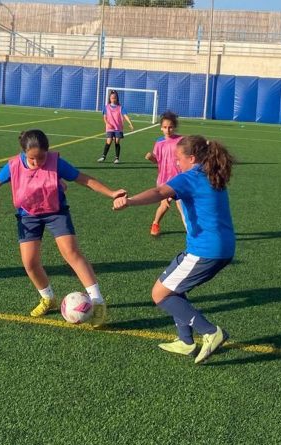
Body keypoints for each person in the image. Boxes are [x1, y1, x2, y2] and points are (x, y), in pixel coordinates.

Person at [0, 129, 126, 328]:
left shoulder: (56, 163)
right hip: (28, 216)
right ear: (23, 153)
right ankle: (47, 298)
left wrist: (112, 193)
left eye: (41, 157)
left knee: (71, 253)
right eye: (32, 159)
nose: (38, 162)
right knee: (29, 263)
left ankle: (98, 302)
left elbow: (83, 179)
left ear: (48, 151)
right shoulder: (13, 165)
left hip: (56, 212)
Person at [113, 135, 235, 364]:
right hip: (222, 248)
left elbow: (159, 192)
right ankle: (186, 342)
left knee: (159, 294)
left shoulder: (189, 177)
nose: (176, 163)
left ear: (191, 158)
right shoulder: (211, 174)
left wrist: (129, 201)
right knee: (173, 288)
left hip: (205, 251)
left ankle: (210, 332)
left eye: (179, 159)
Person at [144, 111, 186, 236]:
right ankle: (155, 223)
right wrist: (151, 157)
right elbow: (158, 161)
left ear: (175, 127)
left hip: (178, 179)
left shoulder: (181, 140)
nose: (168, 130)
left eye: (171, 127)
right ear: (161, 128)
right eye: (165, 127)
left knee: (182, 207)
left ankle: (190, 231)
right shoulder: (159, 142)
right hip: (163, 180)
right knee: (164, 205)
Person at [97, 90, 134, 164]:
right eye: (112, 98)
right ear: (109, 98)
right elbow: (104, 117)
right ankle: (103, 156)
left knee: (117, 142)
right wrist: (107, 123)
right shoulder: (106, 107)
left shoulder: (120, 107)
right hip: (110, 128)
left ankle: (117, 158)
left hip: (118, 128)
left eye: (114, 98)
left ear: (117, 98)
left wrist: (130, 123)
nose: (113, 99)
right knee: (109, 141)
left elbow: (125, 116)